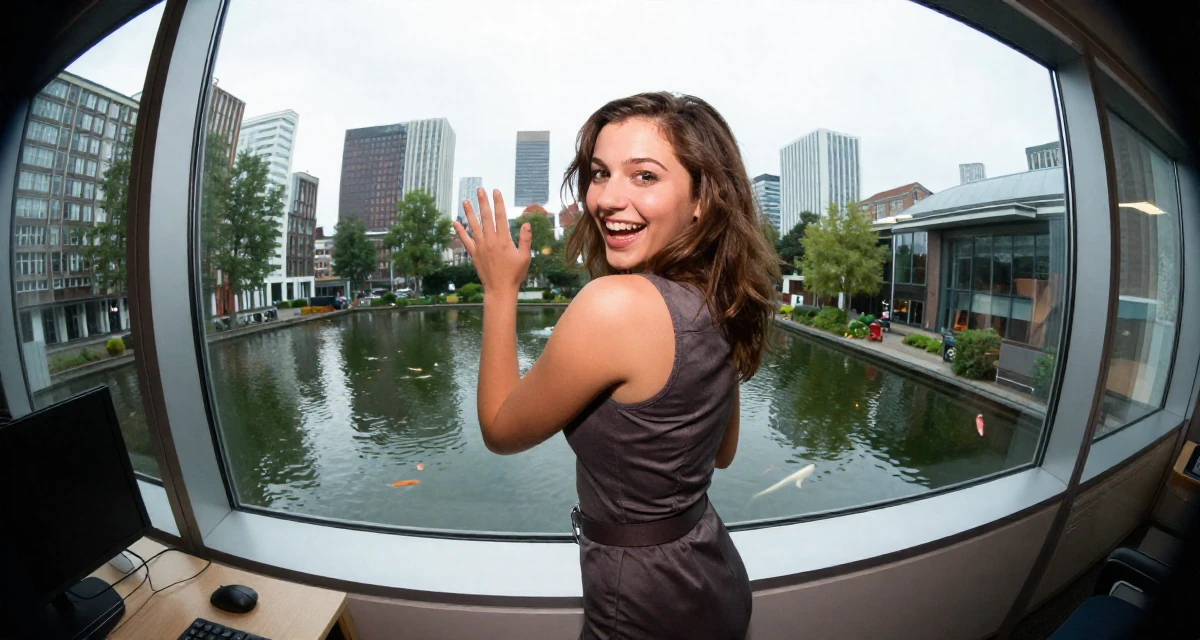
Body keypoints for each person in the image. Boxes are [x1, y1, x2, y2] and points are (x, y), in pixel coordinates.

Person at [453, 92, 779, 640]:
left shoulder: (614, 305)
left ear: (702, 198)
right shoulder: (718, 302)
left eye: (644, 176)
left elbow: (500, 431)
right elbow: (720, 453)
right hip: (711, 573)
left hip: (643, 600)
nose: (606, 197)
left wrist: (499, 290)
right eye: (600, 174)